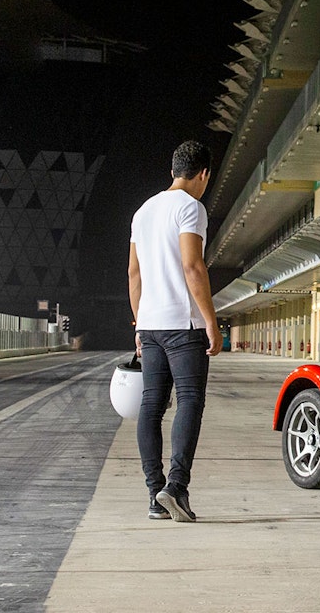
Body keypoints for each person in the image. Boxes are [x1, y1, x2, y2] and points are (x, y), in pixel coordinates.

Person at [128, 139, 221, 522]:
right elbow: (192, 266)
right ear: (203, 174)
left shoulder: (143, 211)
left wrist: (139, 321)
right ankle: (176, 487)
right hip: (184, 325)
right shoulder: (191, 207)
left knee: (151, 406)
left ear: (172, 171)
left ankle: (155, 494)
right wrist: (211, 321)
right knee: (189, 401)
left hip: (150, 325)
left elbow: (134, 273)